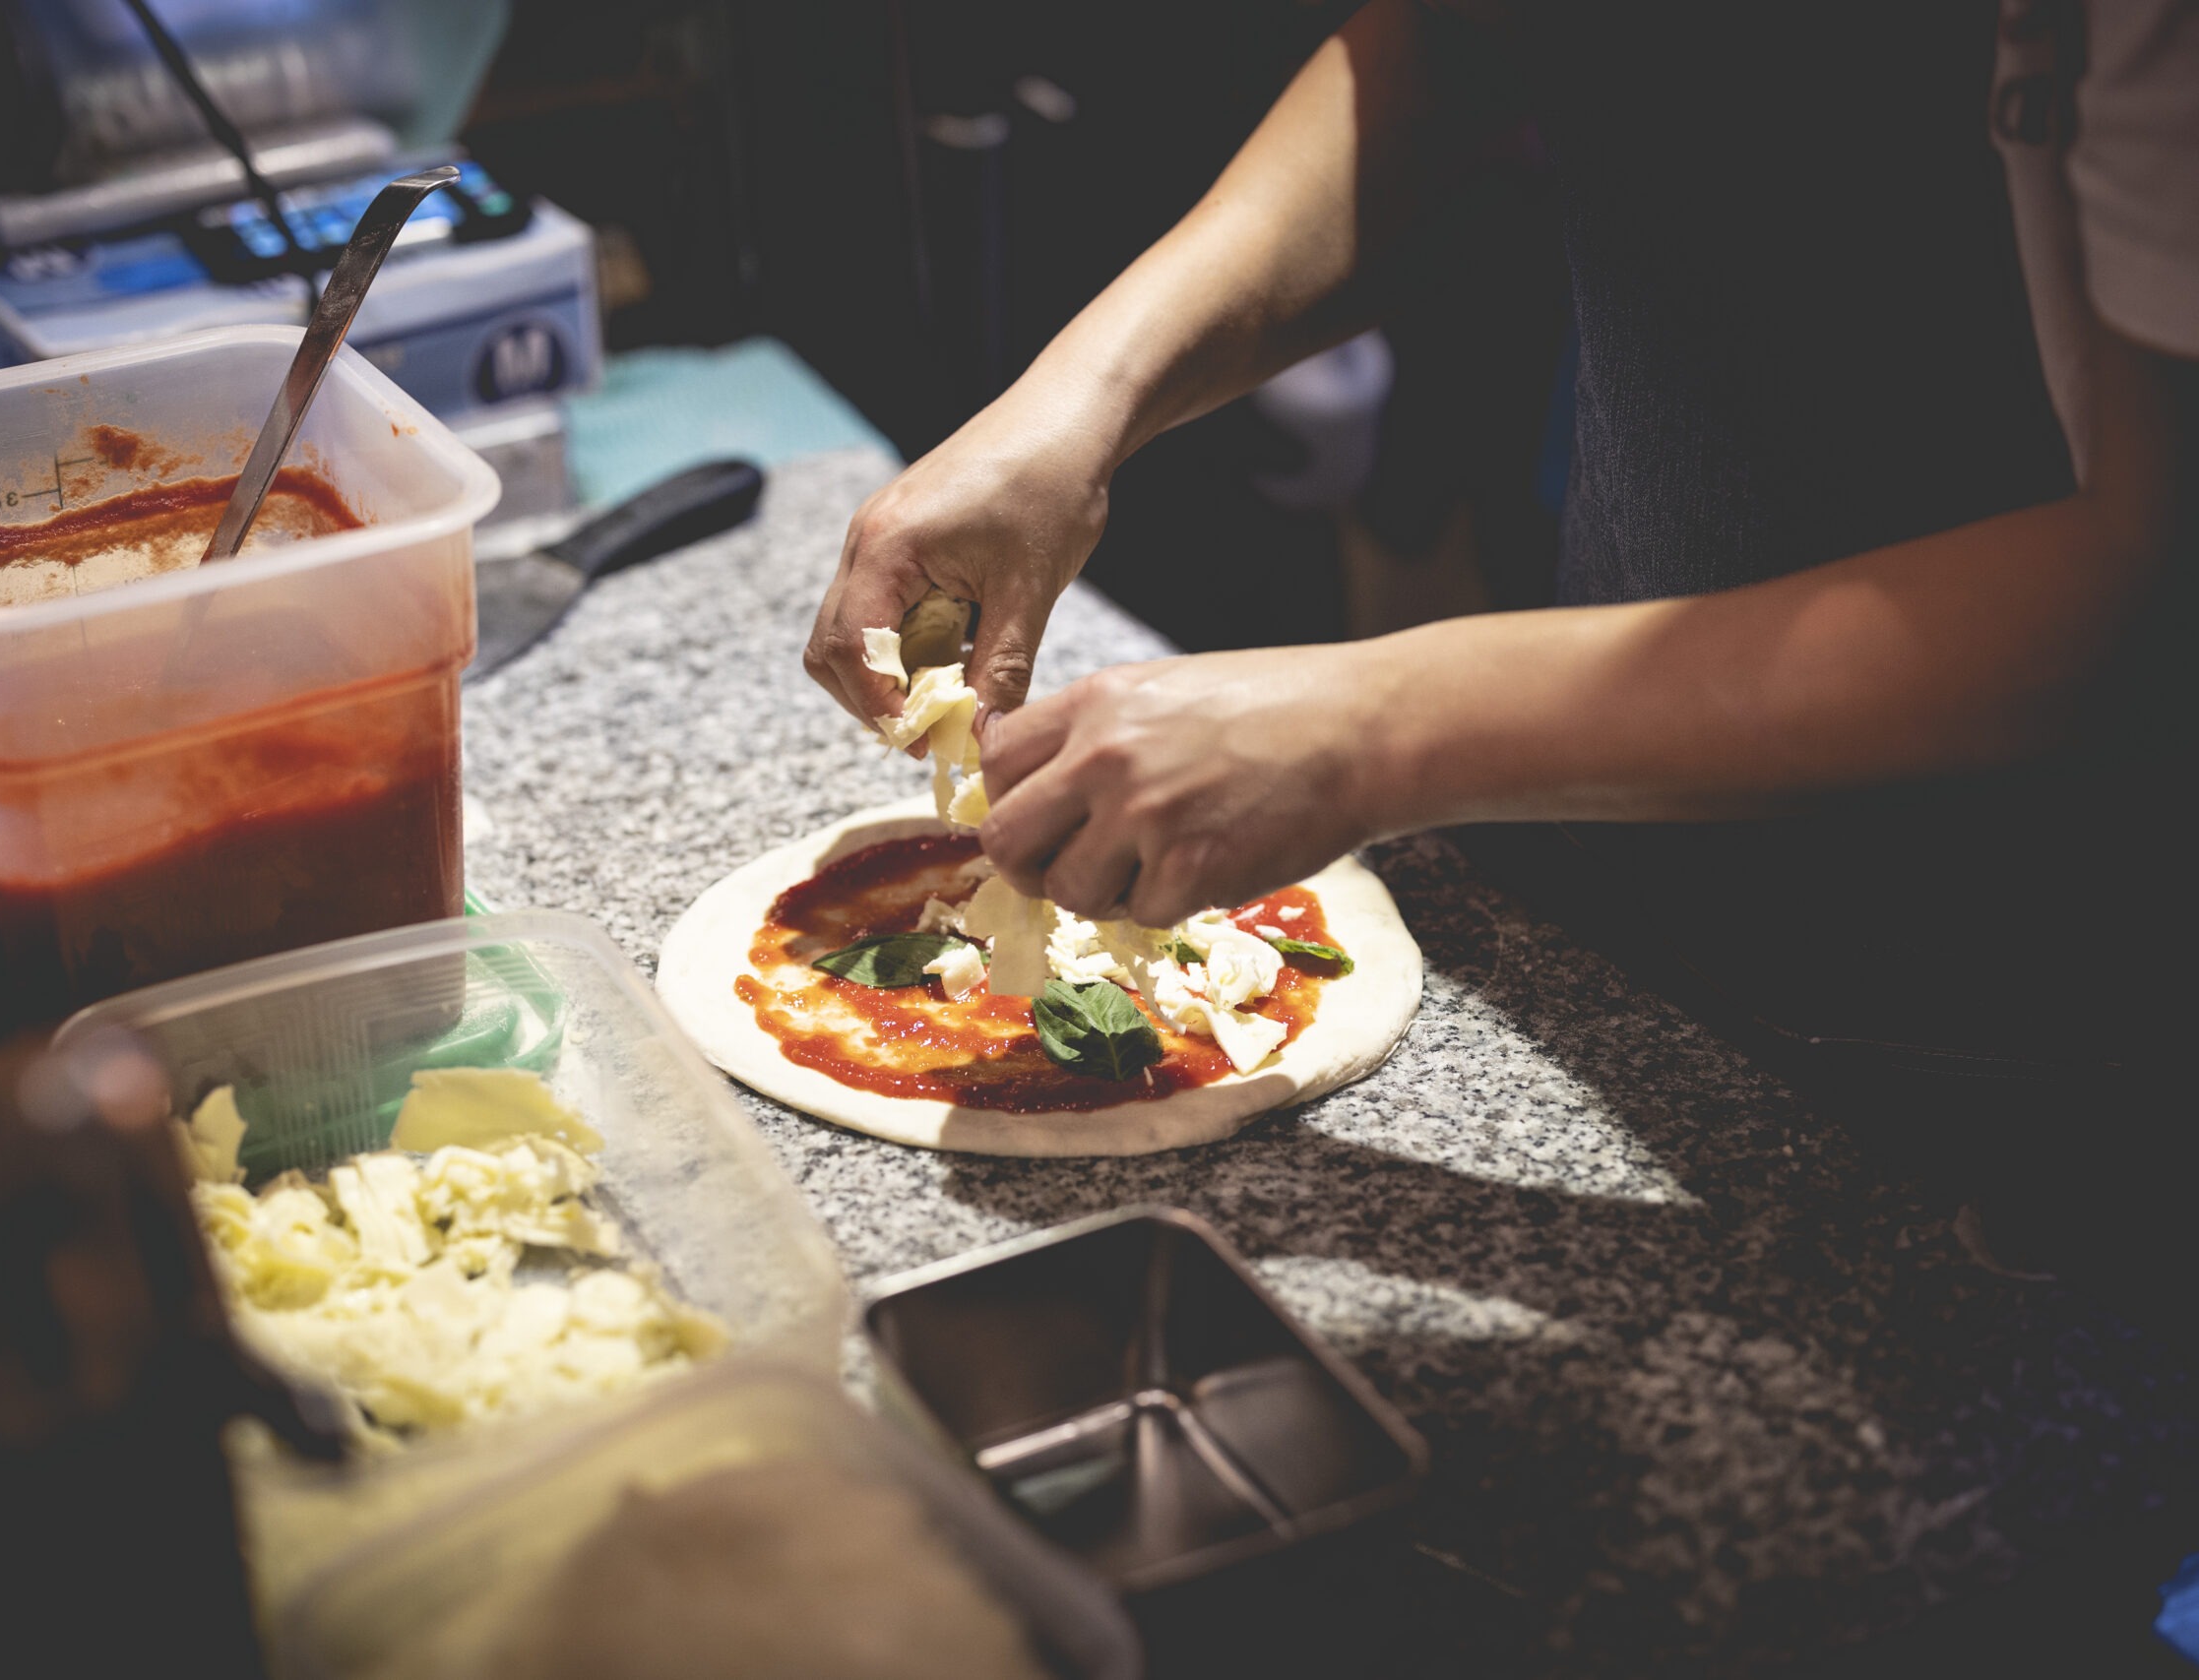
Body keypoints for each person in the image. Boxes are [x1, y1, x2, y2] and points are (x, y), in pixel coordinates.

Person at [806, 2, 2195, 1123]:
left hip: (2072, 999)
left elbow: (2155, 589)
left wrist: (1378, 726)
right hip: (1658, 855)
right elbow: (1466, 47)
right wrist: (1081, 401)